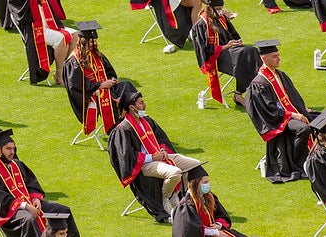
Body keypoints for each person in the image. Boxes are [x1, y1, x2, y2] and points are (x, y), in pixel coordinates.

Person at [108, 91, 202, 223]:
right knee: (175, 173)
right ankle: (165, 198)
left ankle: (179, 197)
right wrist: (153, 157)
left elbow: (161, 139)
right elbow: (127, 156)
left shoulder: (146, 121)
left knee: (195, 164)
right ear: (131, 107)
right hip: (145, 164)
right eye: (141, 103)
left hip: (161, 156)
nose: (145, 105)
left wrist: (162, 150)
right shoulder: (123, 129)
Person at [0, 129, 80, 236]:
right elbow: (0, 202)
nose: (12, 152)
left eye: (13, 148)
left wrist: (36, 198)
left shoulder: (16, 164)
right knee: (29, 219)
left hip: (30, 203)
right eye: (8, 149)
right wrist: (25, 206)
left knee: (63, 210)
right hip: (9, 213)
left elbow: (31, 184)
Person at [245, 39, 319, 183]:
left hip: (293, 113)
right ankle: (298, 162)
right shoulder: (259, 83)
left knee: (324, 119)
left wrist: (303, 110)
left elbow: (294, 96)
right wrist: (292, 115)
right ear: (263, 58)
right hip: (279, 120)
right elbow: (269, 110)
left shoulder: (280, 75)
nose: (279, 58)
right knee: (304, 129)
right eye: (275, 56)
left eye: (278, 55)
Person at [7, 0, 77, 85]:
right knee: (62, 38)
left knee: (76, 35)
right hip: (36, 30)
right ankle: (59, 75)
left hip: (51, 26)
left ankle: (65, 69)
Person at [62, 21, 137, 135]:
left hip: (107, 89)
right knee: (114, 100)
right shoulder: (73, 61)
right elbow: (75, 86)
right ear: (83, 42)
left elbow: (110, 72)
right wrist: (99, 86)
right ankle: (119, 131)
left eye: (94, 42)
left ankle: (134, 121)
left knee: (127, 87)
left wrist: (112, 80)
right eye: (91, 42)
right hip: (90, 96)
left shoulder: (96, 54)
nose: (94, 44)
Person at [190, 0, 261, 108]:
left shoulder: (222, 18)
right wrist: (226, 46)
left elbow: (233, 34)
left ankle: (242, 93)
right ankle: (245, 94)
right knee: (244, 56)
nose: (220, 11)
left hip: (232, 51)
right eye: (218, 9)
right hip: (216, 58)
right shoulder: (201, 25)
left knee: (253, 52)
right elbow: (204, 50)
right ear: (210, 8)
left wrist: (237, 41)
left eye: (221, 8)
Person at [171, 163, 248, 237]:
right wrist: (214, 232)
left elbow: (221, 215)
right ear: (195, 184)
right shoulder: (186, 206)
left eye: (208, 181)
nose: (208, 184)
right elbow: (189, 231)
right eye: (205, 182)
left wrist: (218, 225)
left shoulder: (209, 197)